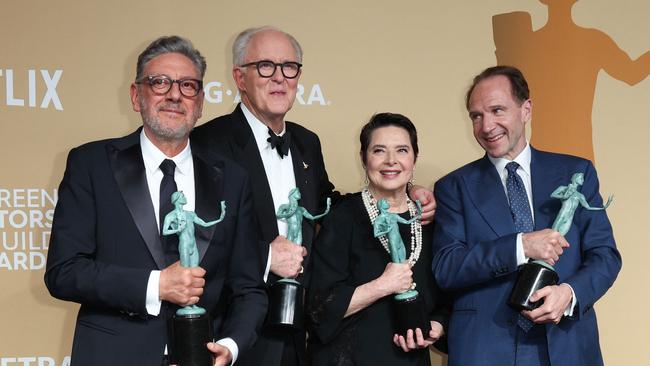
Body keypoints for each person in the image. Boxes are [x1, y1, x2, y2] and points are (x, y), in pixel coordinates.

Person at [191, 26, 437, 366]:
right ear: (239, 77)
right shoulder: (207, 143)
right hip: (231, 329)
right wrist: (263, 256)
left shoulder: (306, 142)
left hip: (296, 330)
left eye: (289, 67)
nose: (279, 78)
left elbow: (330, 205)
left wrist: (404, 192)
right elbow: (196, 235)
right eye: (265, 66)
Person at [44, 36, 267, 366]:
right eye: (160, 82)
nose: (175, 94)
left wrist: (231, 346)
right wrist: (157, 285)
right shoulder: (91, 165)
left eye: (188, 85)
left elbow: (249, 287)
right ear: (137, 96)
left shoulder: (232, 179)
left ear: (201, 102)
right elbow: (64, 271)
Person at [432, 65, 622, 366]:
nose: (486, 125)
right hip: (485, 348)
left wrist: (569, 293)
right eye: (476, 116)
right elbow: (447, 267)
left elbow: (605, 255)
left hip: (566, 345)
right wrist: (520, 246)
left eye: (497, 110)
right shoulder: (453, 187)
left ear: (526, 109)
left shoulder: (577, 172)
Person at [308, 113, 449, 366]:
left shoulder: (430, 220)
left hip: (411, 359)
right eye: (379, 151)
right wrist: (383, 284)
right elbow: (318, 307)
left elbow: (448, 296)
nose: (391, 161)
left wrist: (438, 325)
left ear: (415, 158)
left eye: (402, 150)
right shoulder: (342, 217)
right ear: (364, 158)